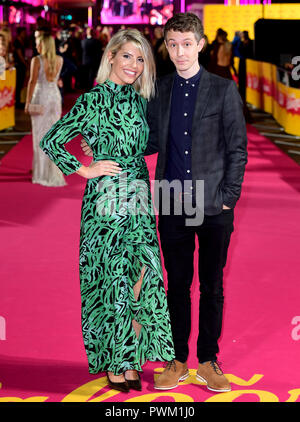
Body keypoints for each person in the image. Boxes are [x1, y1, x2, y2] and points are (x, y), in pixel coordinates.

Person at [82, 13, 247, 393]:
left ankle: (207, 359)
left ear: (201, 45)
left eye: (187, 44)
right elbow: (147, 143)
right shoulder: (160, 90)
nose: (180, 52)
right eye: (172, 45)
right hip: (172, 202)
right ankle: (176, 360)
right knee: (175, 285)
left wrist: (227, 198)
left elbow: (237, 149)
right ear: (167, 46)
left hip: (213, 205)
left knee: (212, 287)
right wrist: (101, 148)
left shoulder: (223, 90)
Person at [39, 28, 175, 393]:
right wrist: (86, 168)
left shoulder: (139, 99)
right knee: (113, 278)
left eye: (140, 58)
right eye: (127, 56)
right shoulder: (93, 100)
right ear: (112, 56)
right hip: (107, 199)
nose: (133, 64)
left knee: (142, 275)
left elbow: (144, 144)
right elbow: (50, 140)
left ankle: (132, 357)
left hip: (139, 195)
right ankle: (118, 362)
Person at [25, 34, 66, 187]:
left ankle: (41, 172)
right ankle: (51, 171)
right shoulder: (60, 60)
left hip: (41, 97)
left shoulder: (37, 60)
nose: (36, 46)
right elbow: (56, 79)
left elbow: (32, 81)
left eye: (38, 43)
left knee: (39, 135)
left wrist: (27, 102)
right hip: (55, 98)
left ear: (44, 45)